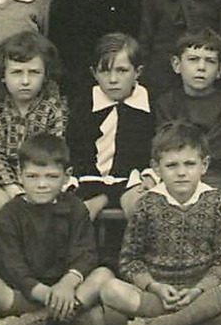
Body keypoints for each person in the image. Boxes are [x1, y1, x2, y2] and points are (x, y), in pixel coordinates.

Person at [100, 122, 221, 325]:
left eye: (189, 164)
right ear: (156, 169)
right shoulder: (147, 203)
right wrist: (154, 286)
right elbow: (129, 261)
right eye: (171, 165)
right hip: (159, 294)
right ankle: (208, 320)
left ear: (204, 165)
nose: (181, 172)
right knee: (110, 290)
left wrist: (200, 289)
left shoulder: (214, 200)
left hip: (202, 291)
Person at [0, 133, 114, 325]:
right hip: (27, 290)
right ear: (19, 175)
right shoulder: (10, 213)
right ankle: (74, 317)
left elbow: (86, 254)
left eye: (51, 177)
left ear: (67, 177)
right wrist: (47, 295)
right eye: (33, 176)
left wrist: (66, 285)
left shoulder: (75, 208)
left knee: (104, 275)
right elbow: (12, 266)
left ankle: (30, 323)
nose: (42, 184)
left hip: (68, 289)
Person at [66, 33, 157, 221]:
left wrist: (151, 175)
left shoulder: (150, 106)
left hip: (132, 181)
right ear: (94, 73)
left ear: (137, 72)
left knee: (141, 209)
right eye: (105, 71)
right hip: (89, 181)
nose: (113, 79)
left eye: (122, 71)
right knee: (74, 214)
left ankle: (135, 250)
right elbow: (75, 148)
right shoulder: (84, 104)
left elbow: (159, 148)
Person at [0, 32, 68, 216]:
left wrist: (34, 185)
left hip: (43, 178)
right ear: (3, 76)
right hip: (4, 180)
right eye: (17, 73)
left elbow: (56, 150)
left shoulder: (53, 108)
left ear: (45, 75)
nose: (25, 81)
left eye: (34, 72)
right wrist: (11, 186)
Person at [155, 28, 221, 194]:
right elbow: (166, 144)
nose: (201, 67)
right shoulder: (167, 102)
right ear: (177, 64)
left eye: (210, 61)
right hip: (175, 172)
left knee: (212, 202)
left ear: (220, 70)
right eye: (193, 59)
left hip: (215, 173)